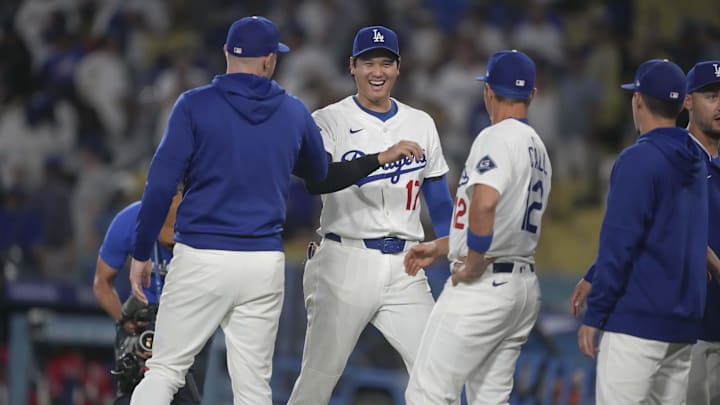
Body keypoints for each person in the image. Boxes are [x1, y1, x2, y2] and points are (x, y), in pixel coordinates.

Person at [127, 16, 329, 405]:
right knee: (252, 390)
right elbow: (319, 174)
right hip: (261, 264)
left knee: (166, 371)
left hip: (201, 257)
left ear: (226, 53)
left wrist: (140, 251)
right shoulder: (293, 112)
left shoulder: (193, 105)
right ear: (269, 60)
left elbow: (159, 188)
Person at [286, 25, 454, 405]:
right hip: (345, 260)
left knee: (437, 375)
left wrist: (450, 245)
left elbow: (439, 200)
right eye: (368, 63)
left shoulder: (420, 123)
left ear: (398, 68)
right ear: (352, 67)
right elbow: (319, 180)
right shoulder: (327, 120)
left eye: (385, 63)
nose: (377, 72)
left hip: (405, 266)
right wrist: (380, 158)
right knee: (317, 381)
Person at [403, 49, 552, 404]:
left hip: (485, 284)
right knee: (489, 399)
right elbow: (503, 217)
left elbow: (485, 201)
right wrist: (443, 246)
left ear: (488, 91)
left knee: (428, 392)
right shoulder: (538, 148)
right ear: (531, 94)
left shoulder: (496, 136)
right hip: (521, 287)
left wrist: (471, 260)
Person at [576, 59, 708, 404]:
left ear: (638, 100)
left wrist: (596, 314)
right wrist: (594, 274)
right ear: (682, 104)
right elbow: (664, 229)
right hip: (682, 326)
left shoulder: (638, 159)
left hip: (638, 322)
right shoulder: (695, 156)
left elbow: (621, 241)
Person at [93, 187, 210, 404]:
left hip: (188, 323)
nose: (170, 245)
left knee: (185, 399)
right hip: (141, 322)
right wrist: (125, 320)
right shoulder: (129, 220)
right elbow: (102, 284)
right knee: (129, 398)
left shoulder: (207, 227)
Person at [685, 60, 720, 405]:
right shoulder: (674, 156)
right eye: (712, 95)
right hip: (689, 332)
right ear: (687, 102)